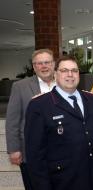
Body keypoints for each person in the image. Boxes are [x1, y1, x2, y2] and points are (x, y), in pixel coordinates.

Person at [24, 56, 93, 190]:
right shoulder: (39, 105)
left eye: (74, 70)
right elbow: (35, 157)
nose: (70, 74)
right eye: (64, 70)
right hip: (62, 182)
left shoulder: (92, 100)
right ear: (55, 74)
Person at [5, 48, 56, 190]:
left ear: (53, 64)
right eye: (39, 63)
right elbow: (12, 121)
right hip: (31, 152)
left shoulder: (64, 83)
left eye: (47, 62)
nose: (44, 66)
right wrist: (14, 149)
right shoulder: (20, 87)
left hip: (60, 150)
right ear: (34, 67)